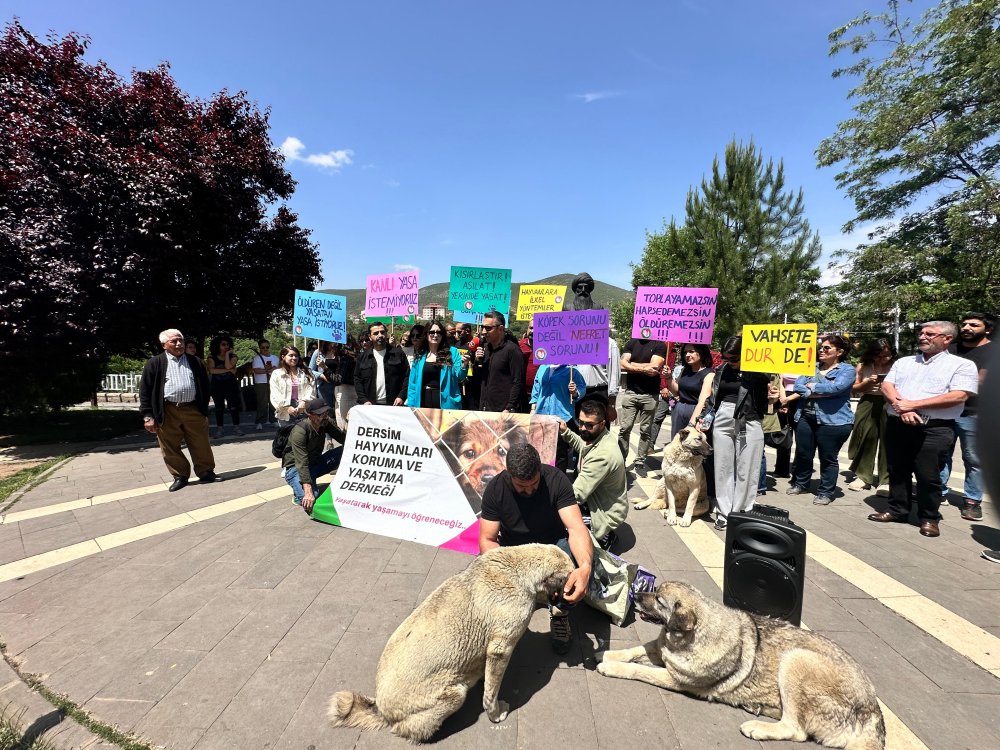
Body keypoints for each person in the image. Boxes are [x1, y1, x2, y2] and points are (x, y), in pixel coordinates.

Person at [479, 443, 593, 654]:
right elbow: (487, 539)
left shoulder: (556, 479)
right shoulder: (496, 489)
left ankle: (560, 613)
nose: (530, 490)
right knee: (484, 567)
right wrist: (505, 573)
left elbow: (577, 528)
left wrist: (585, 567)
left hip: (552, 547)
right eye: (522, 487)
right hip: (515, 551)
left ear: (540, 470)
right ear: (509, 475)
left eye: (534, 483)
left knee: (574, 555)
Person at [868, 321, 978, 538]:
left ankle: (929, 517)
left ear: (947, 339)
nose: (922, 336)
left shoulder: (961, 365)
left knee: (928, 475)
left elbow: (958, 396)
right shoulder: (904, 362)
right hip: (899, 423)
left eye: (930, 333)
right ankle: (898, 509)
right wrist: (902, 407)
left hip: (934, 428)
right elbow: (887, 386)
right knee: (897, 469)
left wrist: (914, 405)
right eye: (921, 332)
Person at [698, 335, 769, 530]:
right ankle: (724, 511)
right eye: (725, 357)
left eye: (734, 358)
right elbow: (714, 399)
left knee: (748, 468)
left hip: (749, 419)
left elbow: (766, 402)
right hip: (723, 418)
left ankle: (741, 511)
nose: (729, 362)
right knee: (723, 467)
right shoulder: (721, 370)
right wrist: (704, 417)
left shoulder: (758, 372)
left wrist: (771, 397)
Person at [139, 328, 218, 492]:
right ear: (164, 345)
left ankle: (206, 472)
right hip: (167, 410)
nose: (179, 344)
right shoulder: (155, 363)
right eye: (173, 341)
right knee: (170, 446)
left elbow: (205, 385)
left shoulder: (195, 361)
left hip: (192, 409)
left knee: (201, 443)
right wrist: (148, 416)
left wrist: (203, 408)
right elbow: (145, 390)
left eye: (180, 340)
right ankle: (180, 476)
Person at [786, 335, 856, 505]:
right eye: (821, 347)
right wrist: (820, 392)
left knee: (828, 458)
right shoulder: (811, 367)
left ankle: (825, 492)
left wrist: (813, 388)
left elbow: (837, 388)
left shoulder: (847, 370)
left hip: (834, 421)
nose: (821, 351)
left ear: (839, 352)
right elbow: (798, 386)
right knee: (803, 453)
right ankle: (801, 483)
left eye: (827, 348)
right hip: (805, 417)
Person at [558, 393, 627, 549]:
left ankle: (604, 536)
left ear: (602, 424)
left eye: (589, 425)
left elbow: (576, 495)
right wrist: (565, 431)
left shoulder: (603, 455)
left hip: (605, 513)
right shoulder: (599, 437)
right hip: (597, 500)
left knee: (562, 529)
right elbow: (583, 446)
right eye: (581, 422)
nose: (583, 428)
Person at [942, 312, 993, 521]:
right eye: (963, 324)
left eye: (973, 324)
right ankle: (938, 492)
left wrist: (948, 383)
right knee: (941, 453)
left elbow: (980, 382)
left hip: (974, 413)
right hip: (944, 410)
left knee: (974, 459)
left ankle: (972, 501)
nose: (966, 327)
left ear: (987, 329)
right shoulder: (950, 349)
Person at [846, 339, 897, 494]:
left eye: (887, 355)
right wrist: (867, 383)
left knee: (889, 441)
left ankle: (886, 480)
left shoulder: (897, 366)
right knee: (865, 437)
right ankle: (863, 476)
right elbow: (854, 388)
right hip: (868, 400)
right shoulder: (863, 366)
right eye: (879, 356)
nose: (883, 359)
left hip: (890, 402)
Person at [281, 398, 345, 512]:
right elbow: (301, 462)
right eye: (320, 414)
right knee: (310, 499)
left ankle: (310, 481)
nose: (324, 416)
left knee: (345, 450)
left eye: (326, 412)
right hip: (296, 468)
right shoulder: (299, 431)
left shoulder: (325, 422)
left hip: (315, 463)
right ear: (310, 415)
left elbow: (344, 439)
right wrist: (308, 490)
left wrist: (352, 422)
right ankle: (298, 493)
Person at [618, 336, 666, 476]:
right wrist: (644, 368)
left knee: (645, 430)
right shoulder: (631, 342)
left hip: (650, 395)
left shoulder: (659, 344)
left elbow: (655, 366)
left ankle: (640, 461)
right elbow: (622, 364)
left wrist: (632, 365)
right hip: (631, 392)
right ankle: (621, 461)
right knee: (624, 428)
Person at [529, 362, 579, 471]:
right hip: (541, 414)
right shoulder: (543, 367)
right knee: (541, 449)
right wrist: (533, 408)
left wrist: (575, 392)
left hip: (561, 415)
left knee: (559, 452)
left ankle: (559, 481)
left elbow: (581, 388)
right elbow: (536, 388)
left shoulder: (571, 369)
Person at [406, 320, 467, 408]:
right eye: (431, 332)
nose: (435, 335)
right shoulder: (420, 354)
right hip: (423, 401)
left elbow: (460, 376)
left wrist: (464, 365)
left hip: (446, 403)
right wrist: (411, 405)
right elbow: (413, 384)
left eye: (439, 332)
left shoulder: (452, 352)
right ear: (426, 334)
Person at [474, 311, 524, 413]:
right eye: (482, 327)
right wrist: (476, 361)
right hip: (484, 408)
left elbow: (518, 381)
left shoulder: (512, 350)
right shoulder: (485, 349)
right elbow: (479, 378)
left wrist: (510, 407)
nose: (483, 332)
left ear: (500, 329)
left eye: (488, 328)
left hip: (503, 412)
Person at [355, 322, 410, 406]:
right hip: (370, 406)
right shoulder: (363, 357)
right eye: (376, 333)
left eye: (382, 332)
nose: (380, 335)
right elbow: (358, 379)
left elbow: (407, 376)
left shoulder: (398, 353)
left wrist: (401, 396)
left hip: (394, 405)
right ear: (370, 337)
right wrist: (364, 400)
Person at [206, 334, 243, 438]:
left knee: (233, 407)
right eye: (223, 344)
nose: (226, 346)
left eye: (228, 344)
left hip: (231, 385)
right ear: (217, 345)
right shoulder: (211, 357)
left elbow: (228, 365)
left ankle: (237, 427)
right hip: (217, 386)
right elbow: (212, 370)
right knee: (219, 408)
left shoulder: (233, 356)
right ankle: (219, 429)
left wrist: (227, 355)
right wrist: (229, 370)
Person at [270, 345, 315, 425]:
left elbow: (311, 389)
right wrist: (287, 407)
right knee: (287, 435)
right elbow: (275, 394)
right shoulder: (276, 374)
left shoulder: (306, 372)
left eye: (296, 356)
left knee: (303, 435)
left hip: (303, 408)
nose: (294, 358)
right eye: (291, 355)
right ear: (283, 357)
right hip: (284, 409)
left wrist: (304, 402)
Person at [249, 339, 278, 430]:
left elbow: (277, 369)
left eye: (267, 347)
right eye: (263, 347)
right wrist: (268, 370)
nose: (265, 349)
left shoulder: (275, 358)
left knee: (273, 402)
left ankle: (274, 420)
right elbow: (256, 370)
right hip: (261, 382)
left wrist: (267, 370)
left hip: (273, 382)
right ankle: (260, 421)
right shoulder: (257, 358)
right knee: (262, 402)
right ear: (260, 348)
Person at [332, 338, 358, 431]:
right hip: (347, 392)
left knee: (345, 424)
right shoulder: (351, 356)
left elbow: (339, 379)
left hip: (345, 392)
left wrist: (325, 369)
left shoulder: (346, 358)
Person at [519, 322, 540, 411]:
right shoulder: (519, 345)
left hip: (539, 395)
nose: (533, 331)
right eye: (531, 328)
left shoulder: (546, 347)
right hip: (521, 394)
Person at [310, 341, 337, 408]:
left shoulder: (340, 352)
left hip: (338, 386)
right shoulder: (318, 352)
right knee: (327, 410)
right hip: (324, 387)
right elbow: (309, 371)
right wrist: (321, 375)